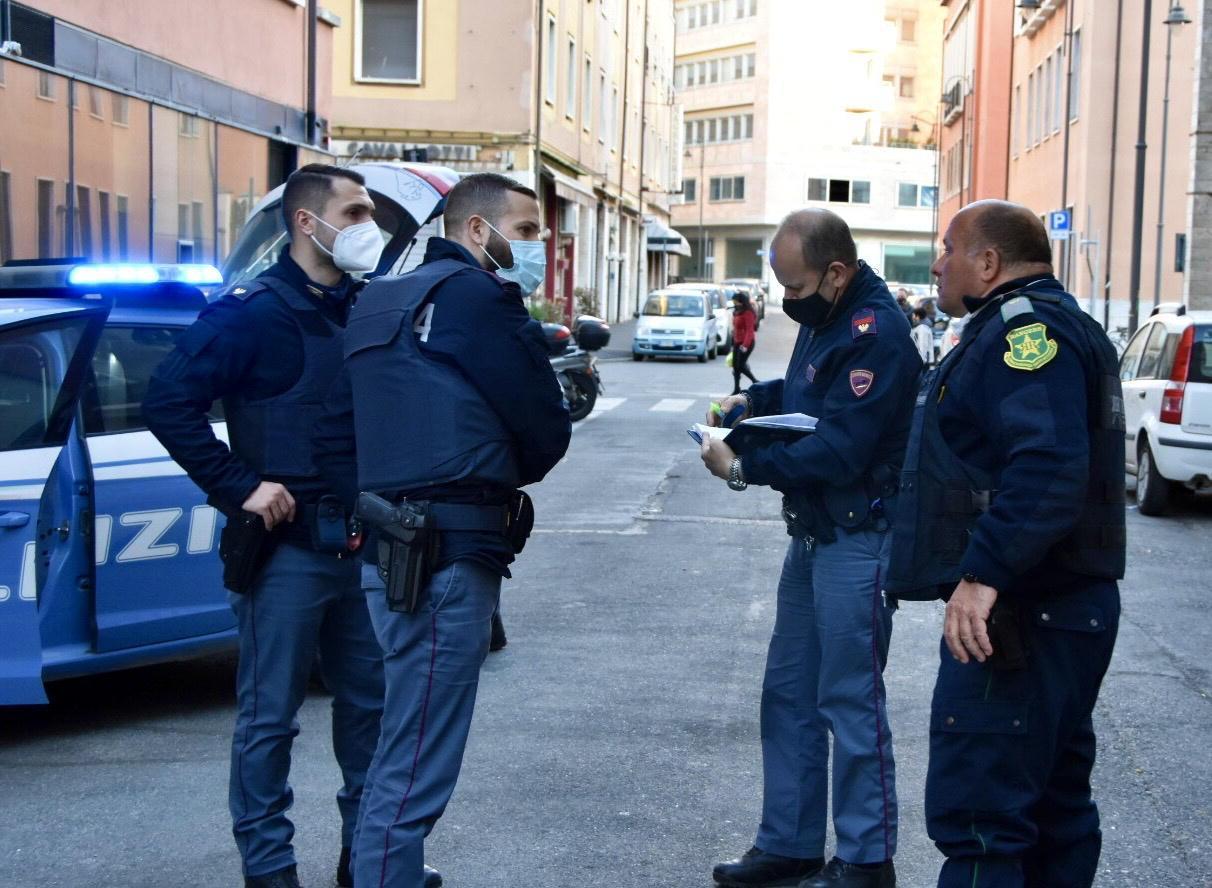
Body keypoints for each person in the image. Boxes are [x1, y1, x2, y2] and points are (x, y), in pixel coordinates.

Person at [313, 172, 571, 888]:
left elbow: (334, 431)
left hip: (388, 550)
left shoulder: (376, 301)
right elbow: (545, 427)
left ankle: (381, 870)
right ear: (476, 231)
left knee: (399, 738)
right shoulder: (479, 300)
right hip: (450, 552)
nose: (535, 248)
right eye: (524, 233)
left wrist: (375, 506)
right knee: (417, 756)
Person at [143, 164, 397, 888]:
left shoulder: (366, 308)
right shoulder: (250, 313)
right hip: (285, 552)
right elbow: (168, 403)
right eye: (353, 213)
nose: (366, 227)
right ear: (306, 224)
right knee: (268, 721)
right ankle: (270, 872)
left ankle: (368, 860)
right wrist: (239, 485)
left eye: (369, 213)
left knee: (370, 712)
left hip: (363, 543)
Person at [884, 200, 1125, 888]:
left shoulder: (1027, 332)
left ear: (987, 263)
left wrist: (982, 577)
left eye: (948, 248)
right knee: (1052, 814)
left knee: (984, 822)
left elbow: (1047, 464)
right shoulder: (1049, 324)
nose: (936, 263)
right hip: (1058, 612)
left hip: (1025, 617)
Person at [700, 209, 920, 888]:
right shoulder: (829, 319)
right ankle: (790, 844)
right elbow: (806, 397)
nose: (787, 304)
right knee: (789, 693)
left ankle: (864, 860)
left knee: (849, 699)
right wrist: (750, 406)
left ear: (836, 272)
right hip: (818, 534)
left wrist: (741, 467)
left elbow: (837, 448)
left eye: (794, 290)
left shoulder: (876, 333)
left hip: (859, 535)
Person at [731, 290, 759, 394]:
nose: (734, 304)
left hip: (746, 343)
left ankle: (755, 381)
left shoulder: (748, 313)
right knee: (735, 366)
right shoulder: (738, 311)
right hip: (737, 342)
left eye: (735, 302)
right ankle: (736, 389)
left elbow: (749, 331)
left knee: (740, 365)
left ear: (741, 302)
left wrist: (745, 345)